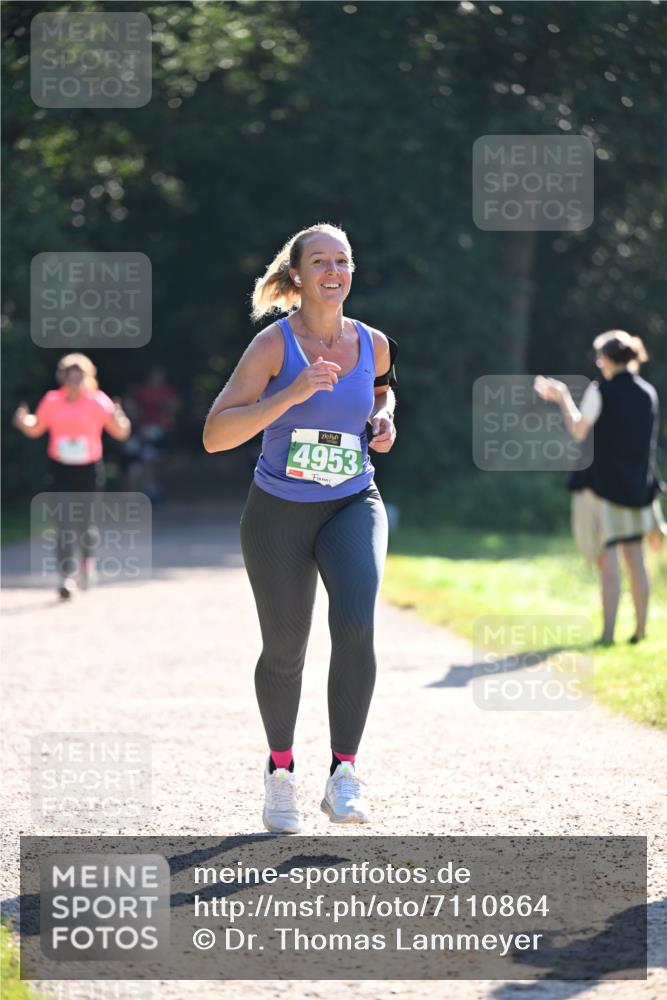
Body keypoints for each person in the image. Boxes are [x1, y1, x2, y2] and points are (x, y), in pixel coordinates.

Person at [203, 223, 397, 833]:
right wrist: (288, 394)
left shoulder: (374, 343)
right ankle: (280, 772)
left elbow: (384, 394)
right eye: (320, 262)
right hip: (277, 512)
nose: (333, 272)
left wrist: (384, 421)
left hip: (352, 500)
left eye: (343, 260)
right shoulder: (272, 346)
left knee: (358, 622)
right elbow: (215, 435)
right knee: (286, 650)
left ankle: (344, 774)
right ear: (298, 275)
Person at [534, 330, 666, 645]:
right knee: (635, 559)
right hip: (638, 487)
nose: (598, 362)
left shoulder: (601, 390)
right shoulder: (648, 392)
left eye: (599, 357)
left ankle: (607, 634)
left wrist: (563, 397)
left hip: (604, 487)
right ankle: (640, 631)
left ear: (607, 359)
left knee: (608, 561)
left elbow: (579, 430)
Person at [12, 353, 131, 599]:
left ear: (87, 378)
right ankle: (67, 576)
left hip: (88, 469)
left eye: (80, 377)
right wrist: (24, 422)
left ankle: (87, 563)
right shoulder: (52, 400)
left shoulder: (97, 401)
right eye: (70, 376)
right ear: (63, 378)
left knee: (84, 524)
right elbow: (36, 427)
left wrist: (120, 418)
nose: (75, 381)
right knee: (64, 523)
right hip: (61, 468)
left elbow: (121, 432)